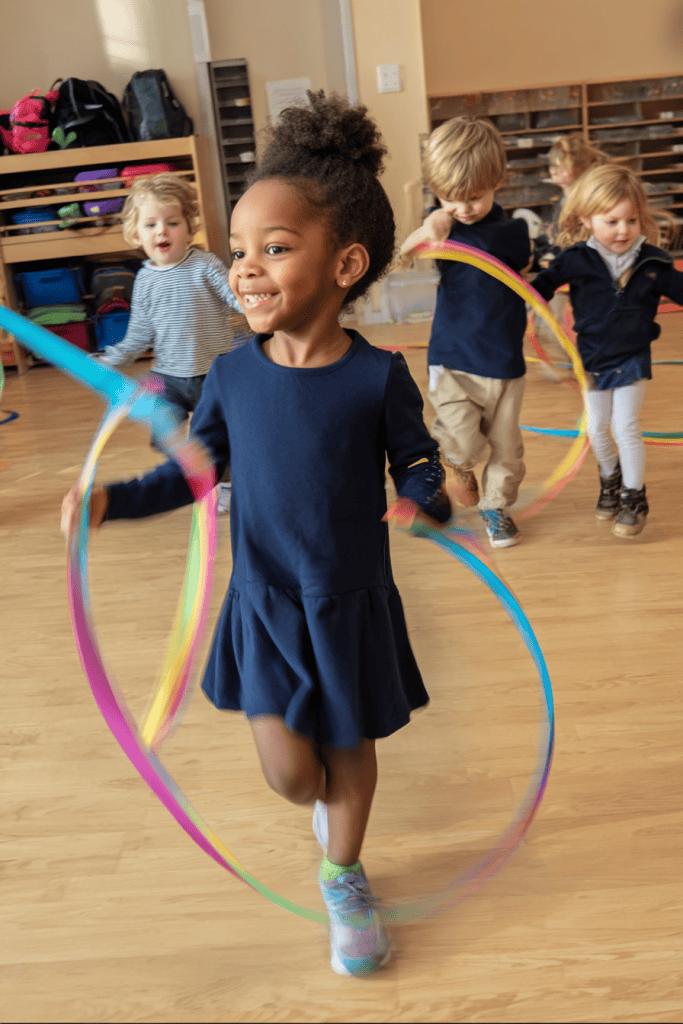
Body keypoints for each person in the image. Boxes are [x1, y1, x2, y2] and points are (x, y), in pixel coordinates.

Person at [62, 92, 451, 977]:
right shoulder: (232, 376)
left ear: (345, 263)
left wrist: (426, 499)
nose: (244, 269)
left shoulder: (377, 378)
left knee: (349, 752)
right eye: (239, 250)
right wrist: (109, 504)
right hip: (265, 603)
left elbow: (420, 465)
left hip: (350, 603)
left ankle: (344, 876)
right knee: (290, 776)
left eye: (273, 249)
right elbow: (192, 475)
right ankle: (324, 820)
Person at [399, 115, 531, 549]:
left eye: (473, 197)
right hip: (452, 359)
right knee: (460, 439)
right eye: (449, 197)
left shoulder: (514, 234)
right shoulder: (444, 226)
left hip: (505, 364)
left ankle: (496, 507)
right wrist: (433, 223)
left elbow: (522, 276)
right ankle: (456, 464)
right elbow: (406, 253)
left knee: (507, 450)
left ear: (498, 181)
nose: (463, 208)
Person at [532, 163, 683, 537]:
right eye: (612, 221)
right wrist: (517, 294)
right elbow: (540, 289)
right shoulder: (575, 259)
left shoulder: (654, 263)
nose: (623, 231)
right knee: (598, 428)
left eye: (632, 221)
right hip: (592, 358)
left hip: (632, 357)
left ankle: (635, 497)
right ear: (587, 218)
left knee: (625, 426)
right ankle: (610, 480)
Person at [96, 173, 249, 512]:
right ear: (136, 234)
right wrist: (109, 361)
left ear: (189, 228)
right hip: (170, 377)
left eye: (172, 222)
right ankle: (195, 475)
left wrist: (259, 306)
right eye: (150, 225)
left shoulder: (205, 265)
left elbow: (234, 297)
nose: (161, 231)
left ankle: (225, 482)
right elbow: (138, 335)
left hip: (215, 373)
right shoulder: (145, 280)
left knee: (226, 436)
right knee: (162, 431)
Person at [530, 135, 609, 381]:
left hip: (581, 271)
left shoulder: (584, 198)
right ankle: (574, 363)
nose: (553, 170)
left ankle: (583, 364)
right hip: (565, 268)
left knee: (565, 322)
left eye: (560, 165)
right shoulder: (565, 197)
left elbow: (583, 237)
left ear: (578, 169)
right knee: (546, 320)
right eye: (552, 164)